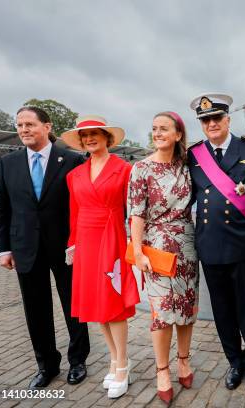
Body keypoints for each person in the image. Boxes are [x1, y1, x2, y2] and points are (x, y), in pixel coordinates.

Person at [0, 106, 90, 389]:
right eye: (20, 125)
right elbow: (2, 210)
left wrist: (80, 243)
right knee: (36, 310)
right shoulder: (8, 163)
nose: (23, 130)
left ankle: (78, 361)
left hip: (64, 248)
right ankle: (46, 364)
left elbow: (82, 207)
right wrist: (5, 249)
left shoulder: (72, 160)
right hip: (25, 247)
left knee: (74, 305)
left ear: (47, 127)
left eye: (30, 124)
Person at [187, 93, 245, 391]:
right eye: (205, 120)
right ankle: (234, 362)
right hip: (210, 245)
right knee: (222, 310)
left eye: (216, 118)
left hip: (243, 244)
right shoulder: (194, 155)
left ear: (228, 119)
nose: (211, 124)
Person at [61, 115, 140, 398]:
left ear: (107, 138)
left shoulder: (125, 169)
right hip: (86, 240)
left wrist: (136, 242)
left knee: (113, 303)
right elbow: (75, 213)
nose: (90, 138)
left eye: (95, 134)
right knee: (96, 305)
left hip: (112, 237)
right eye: (85, 136)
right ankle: (115, 358)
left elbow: (135, 210)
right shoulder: (74, 175)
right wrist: (73, 244)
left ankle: (122, 364)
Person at [128, 111, 198, 404]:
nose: (157, 133)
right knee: (161, 313)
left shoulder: (188, 166)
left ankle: (183, 359)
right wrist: (137, 251)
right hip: (155, 247)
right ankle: (162, 369)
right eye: (154, 129)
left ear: (178, 134)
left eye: (164, 129)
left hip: (186, 245)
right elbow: (136, 213)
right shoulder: (141, 169)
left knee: (186, 309)